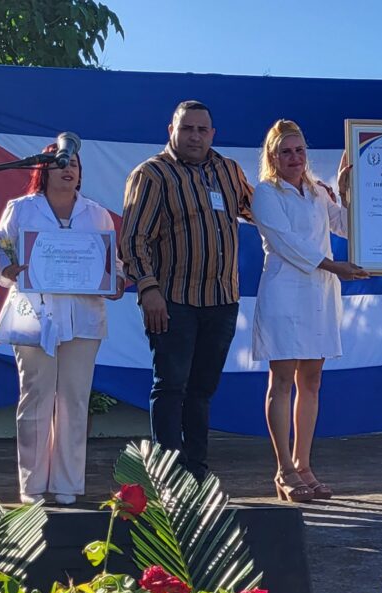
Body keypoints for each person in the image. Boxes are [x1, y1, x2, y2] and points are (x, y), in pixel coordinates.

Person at [119, 100, 253, 481]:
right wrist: (148, 289)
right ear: (171, 131)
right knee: (171, 386)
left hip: (222, 299)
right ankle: (168, 477)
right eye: (187, 128)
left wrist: (316, 193)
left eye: (202, 129)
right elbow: (133, 239)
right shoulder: (151, 174)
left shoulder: (228, 171)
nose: (195, 136)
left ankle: (196, 471)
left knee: (202, 391)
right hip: (172, 298)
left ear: (213, 133)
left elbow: (264, 210)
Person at [0, 143, 124, 506]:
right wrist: (7, 270)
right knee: (35, 398)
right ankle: (31, 487)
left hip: (83, 320)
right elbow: (2, 254)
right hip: (33, 317)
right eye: (60, 163)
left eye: (75, 164)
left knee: (74, 401)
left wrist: (116, 282)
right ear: (43, 169)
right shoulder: (21, 209)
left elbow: (111, 265)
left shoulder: (97, 214)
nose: (69, 169)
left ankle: (68, 486)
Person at [250, 120, 368, 502]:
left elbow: (349, 228)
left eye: (299, 150)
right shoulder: (266, 194)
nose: (295, 158)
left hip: (319, 295)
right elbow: (285, 242)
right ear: (273, 155)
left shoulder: (318, 192)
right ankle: (283, 469)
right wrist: (336, 267)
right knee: (282, 380)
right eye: (286, 151)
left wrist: (348, 195)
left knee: (312, 382)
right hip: (285, 294)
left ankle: (304, 465)